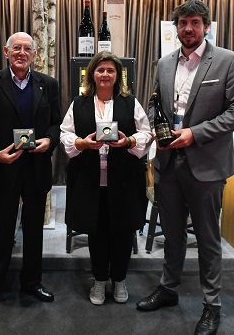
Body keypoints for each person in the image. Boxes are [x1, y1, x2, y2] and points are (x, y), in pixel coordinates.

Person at [136, 0, 234, 335]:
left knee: (207, 238)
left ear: (206, 26)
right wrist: (158, 130)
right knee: (172, 233)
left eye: (195, 22)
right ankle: (168, 288)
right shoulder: (164, 63)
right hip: (168, 162)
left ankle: (212, 306)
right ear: (176, 27)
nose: (189, 28)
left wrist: (194, 134)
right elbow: (156, 104)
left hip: (207, 165)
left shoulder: (229, 61)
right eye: (183, 23)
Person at [0, 31, 62, 312]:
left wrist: (49, 140)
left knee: (35, 231)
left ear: (34, 54)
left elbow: (57, 123)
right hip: (2, 167)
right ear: (6, 52)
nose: (21, 53)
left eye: (27, 49)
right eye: (16, 48)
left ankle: (32, 282)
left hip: (36, 168)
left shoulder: (48, 84)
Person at [60, 52, 152, 306]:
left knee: (123, 231)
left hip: (123, 179)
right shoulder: (79, 104)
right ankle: (100, 279)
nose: (105, 75)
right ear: (92, 74)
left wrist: (129, 141)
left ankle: (119, 279)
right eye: (100, 70)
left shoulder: (130, 103)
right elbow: (65, 134)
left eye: (110, 70)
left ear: (117, 75)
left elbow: (146, 133)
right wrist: (81, 143)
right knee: (97, 232)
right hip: (91, 180)